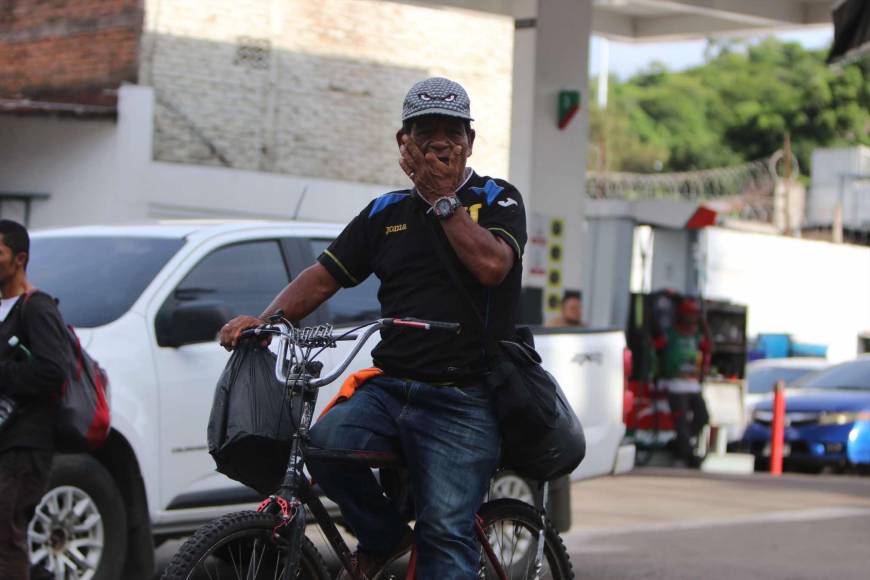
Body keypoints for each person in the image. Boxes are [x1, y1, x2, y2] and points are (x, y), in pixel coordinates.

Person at [220, 77, 526, 580]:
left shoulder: (497, 199)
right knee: (321, 446)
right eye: (425, 132)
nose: (440, 144)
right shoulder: (384, 213)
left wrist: (444, 201)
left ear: (470, 140)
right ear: (403, 143)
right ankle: (385, 537)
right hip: (392, 387)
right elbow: (324, 275)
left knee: (445, 537)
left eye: (452, 132)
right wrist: (267, 321)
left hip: (465, 396)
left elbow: (493, 267)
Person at [0, 220, 69, 579]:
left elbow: (54, 370)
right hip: (5, 440)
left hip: (25, 445)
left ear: (19, 259)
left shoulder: (36, 307)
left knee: (5, 536)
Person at [652, 296, 711, 467]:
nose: (692, 319)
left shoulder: (696, 336)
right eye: (690, 315)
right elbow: (655, 347)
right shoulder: (670, 335)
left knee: (702, 417)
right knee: (681, 421)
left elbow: (709, 346)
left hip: (693, 385)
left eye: (695, 315)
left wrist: (704, 324)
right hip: (675, 386)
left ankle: (680, 444)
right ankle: (686, 455)